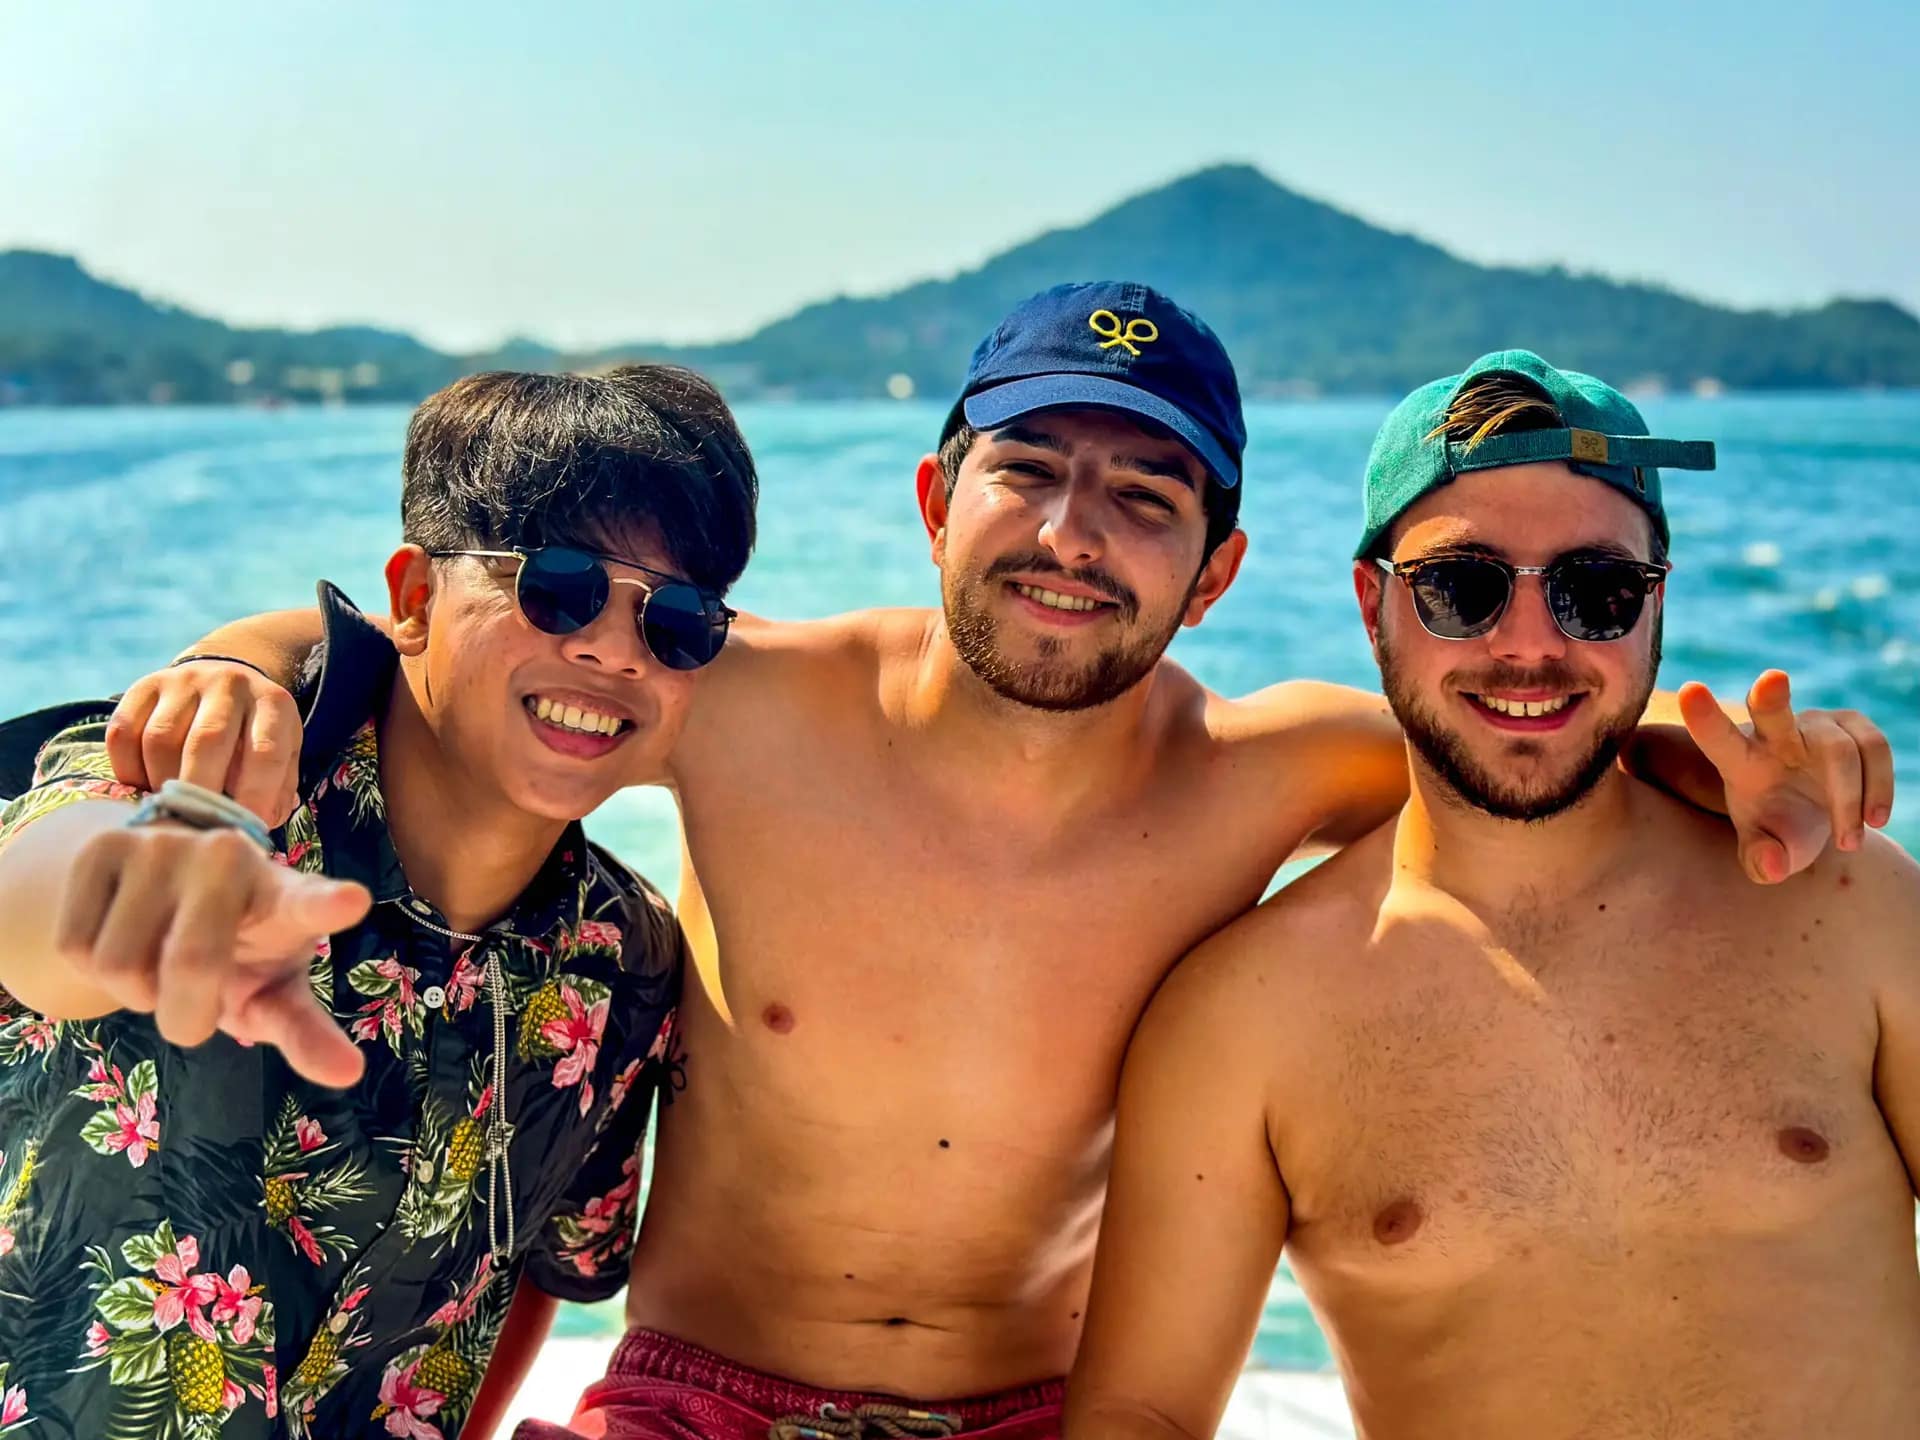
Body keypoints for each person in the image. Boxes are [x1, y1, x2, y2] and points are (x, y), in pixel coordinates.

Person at [99, 291, 1894, 1439]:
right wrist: (241, 664)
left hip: (1030, 1415)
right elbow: (465, 654)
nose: (1071, 535)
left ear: (1216, 572)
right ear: (933, 499)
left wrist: (1726, 767)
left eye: (1145, 501)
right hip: (698, 1401)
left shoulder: (1278, 770)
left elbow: (1517, 740)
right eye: (1028, 470)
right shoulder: (740, 699)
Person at [1064, 351, 1919, 1440]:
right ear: (1373, 603)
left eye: (1596, 592)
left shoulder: (1844, 902)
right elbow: (1142, 1412)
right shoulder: (1243, 1021)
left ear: (1656, 602)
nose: (1529, 645)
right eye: (1462, 588)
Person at [0, 365, 757, 1440]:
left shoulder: (624, 961)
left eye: (676, 623)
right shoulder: (205, 779)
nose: (611, 649)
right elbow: (37, 892)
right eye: (560, 586)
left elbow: (543, 1268)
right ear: (412, 600)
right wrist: (127, 897)